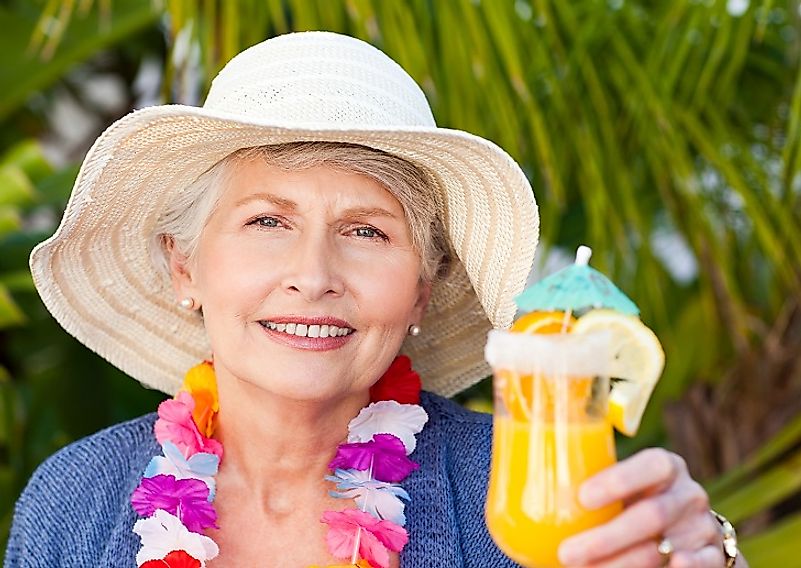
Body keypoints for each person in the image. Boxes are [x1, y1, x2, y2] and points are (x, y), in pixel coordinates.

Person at [4, 31, 742, 568]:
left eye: (365, 230)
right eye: (267, 221)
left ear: (424, 286)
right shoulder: (76, 499)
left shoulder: (526, 496)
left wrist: (707, 557)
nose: (314, 274)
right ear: (185, 267)